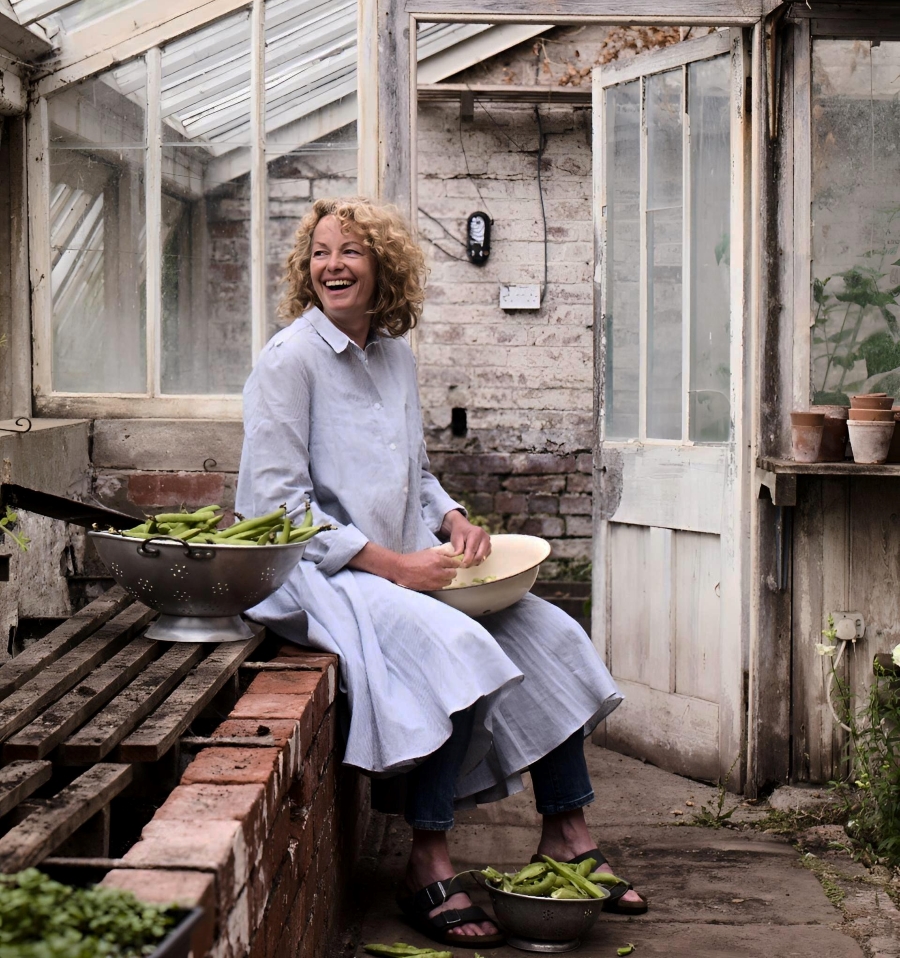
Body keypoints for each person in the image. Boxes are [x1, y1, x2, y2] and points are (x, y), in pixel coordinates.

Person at [237, 197, 646, 948]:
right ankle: (426, 858)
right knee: (453, 649)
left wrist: (453, 519)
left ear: (382, 267)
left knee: (550, 633)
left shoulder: (392, 355)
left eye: (352, 251)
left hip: (406, 563)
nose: (333, 265)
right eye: (321, 252)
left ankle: (569, 835)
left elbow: (417, 475)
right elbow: (275, 508)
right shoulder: (289, 360)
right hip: (324, 576)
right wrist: (394, 565)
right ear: (307, 270)